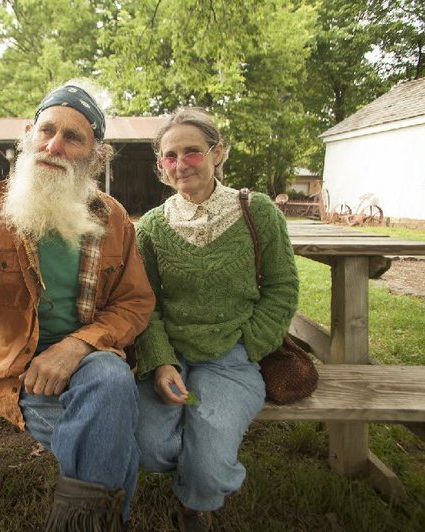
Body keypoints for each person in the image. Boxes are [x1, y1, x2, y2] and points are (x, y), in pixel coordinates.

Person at [0, 82, 155, 531]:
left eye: (73, 138)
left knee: (109, 375)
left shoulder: (113, 220)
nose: (54, 145)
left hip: (88, 358)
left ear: (97, 157)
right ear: (28, 134)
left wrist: (76, 345)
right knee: (119, 439)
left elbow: (135, 304)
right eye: (47, 130)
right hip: (13, 367)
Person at [133, 108, 299, 531]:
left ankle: (195, 499)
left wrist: (248, 345)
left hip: (230, 360)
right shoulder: (151, 227)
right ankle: (197, 439)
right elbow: (144, 302)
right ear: (161, 166)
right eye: (169, 156)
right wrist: (160, 361)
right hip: (173, 360)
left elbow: (282, 288)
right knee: (148, 446)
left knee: (209, 466)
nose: (180, 163)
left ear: (217, 152)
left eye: (192, 152)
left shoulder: (257, 212)